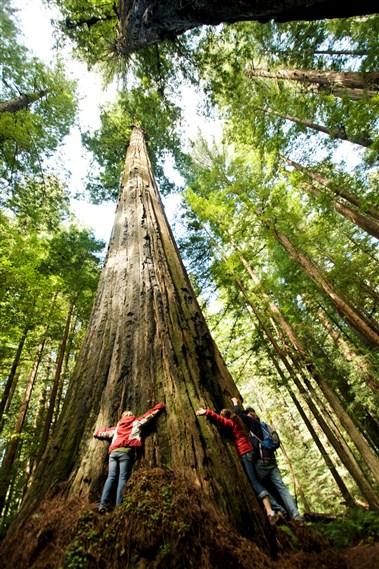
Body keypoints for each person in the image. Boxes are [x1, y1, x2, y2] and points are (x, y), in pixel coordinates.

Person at [196, 406, 283, 526]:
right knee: (257, 480)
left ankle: (270, 512)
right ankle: (278, 509)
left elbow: (221, 420)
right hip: (251, 452)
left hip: (245, 453)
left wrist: (206, 412)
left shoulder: (231, 423)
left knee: (254, 482)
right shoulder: (238, 422)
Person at [231, 397, 303, 523]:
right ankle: (296, 515)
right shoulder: (265, 426)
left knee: (256, 483)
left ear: (251, 416)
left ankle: (281, 510)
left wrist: (235, 403)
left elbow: (238, 414)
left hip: (262, 463)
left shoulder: (254, 424)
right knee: (281, 487)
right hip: (272, 461)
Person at [94, 402, 165, 512]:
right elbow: (149, 415)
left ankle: (103, 505)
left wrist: (97, 432)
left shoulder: (118, 427)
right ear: (131, 415)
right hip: (125, 453)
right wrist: (159, 406)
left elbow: (106, 432)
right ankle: (119, 506)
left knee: (111, 477)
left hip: (113, 454)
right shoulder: (136, 422)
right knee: (122, 478)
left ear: (122, 417)